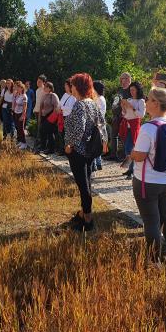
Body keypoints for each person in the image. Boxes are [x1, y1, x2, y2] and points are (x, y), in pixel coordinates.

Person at [131, 87, 166, 264]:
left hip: (148, 181)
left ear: (156, 103)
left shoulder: (148, 128)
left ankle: (155, 261)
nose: (146, 102)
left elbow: (140, 155)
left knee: (152, 222)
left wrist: (132, 153)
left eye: (149, 99)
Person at [65, 73, 107, 231]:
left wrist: (70, 144)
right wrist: (104, 141)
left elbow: (79, 128)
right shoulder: (92, 103)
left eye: (73, 84)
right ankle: (84, 213)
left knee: (83, 185)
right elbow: (102, 123)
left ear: (78, 87)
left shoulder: (80, 104)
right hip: (89, 150)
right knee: (87, 182)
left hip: (79, 151)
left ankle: (87, 219)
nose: (71, 87)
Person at [119, 81, 145, 179]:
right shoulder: (129, 99)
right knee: (128, 146)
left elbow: (141, 115)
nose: (132, 92)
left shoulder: (141, 101)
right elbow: (124, 114)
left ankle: (131, 169)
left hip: (134, 126)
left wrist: (132, 108)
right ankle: (131, 169)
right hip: (126, 125)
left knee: (129, 147)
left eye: (133, 90)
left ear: (138, 90)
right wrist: (123, 108)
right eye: (130, 90)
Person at [107, 72, 131, 160]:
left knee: (123, 136)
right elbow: (116, 102)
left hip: (124, 117)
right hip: (116, 116)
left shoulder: (131, 90)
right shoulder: (119, 90)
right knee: (114, 135)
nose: (122, 81)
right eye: (121, 79)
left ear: (128, 79)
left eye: (123, 79)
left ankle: (124, 156)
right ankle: (113, 155)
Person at [39, 82, 60, 154]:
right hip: (44, 116)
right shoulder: (44, 95)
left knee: (50, 132)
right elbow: (41, 106)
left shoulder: (53, 95)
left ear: (49, 88)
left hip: (51, 117)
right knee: (43, 131)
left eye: (45, 87)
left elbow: (56, 107)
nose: (44, 88)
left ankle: (51, 149)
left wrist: (53, 118)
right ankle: (44, 147)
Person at [58, 78, 77, 154]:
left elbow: (71, 108)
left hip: (69, 117)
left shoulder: (74, 96)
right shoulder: (65, 95)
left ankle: (69, 150)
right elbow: (60, 103)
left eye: (66, 85)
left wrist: (62, 108)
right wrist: (60, 108)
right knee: (62, 133)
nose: (65, 87)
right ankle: (63, 149)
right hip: (63, 116)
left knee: (68, 134)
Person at [91, 80, 106, 172]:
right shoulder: (101, 98)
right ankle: (98, 163)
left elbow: (96, 112)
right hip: (100, 123)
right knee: (97, 144)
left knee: (94, 144)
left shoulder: (98, 99)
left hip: (97, 124)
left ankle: (94, 165)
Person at [12, 81, 28, 149]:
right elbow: (14, 103)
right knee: (17, 128)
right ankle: (20, 142)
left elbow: (25, 107)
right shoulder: (18, 95)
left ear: (22, 88)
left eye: (18, 88)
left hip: (21, 113)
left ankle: (24, 143)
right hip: (16, 112)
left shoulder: (24, 96)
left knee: (21, 128)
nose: (17, 89)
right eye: (16, 87)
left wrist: (23, 115)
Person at [33, 74, 47, 149]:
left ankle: (39, 145)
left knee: (40, 129)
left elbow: (44, 103)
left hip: (41, 112)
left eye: (39, 81)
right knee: (38, 128)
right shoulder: (37, 90)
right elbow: (37, 101)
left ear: (44, 82)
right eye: (37, 81)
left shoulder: (44, 90)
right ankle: (38, 145)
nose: (38, 83)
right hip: (36, 111)